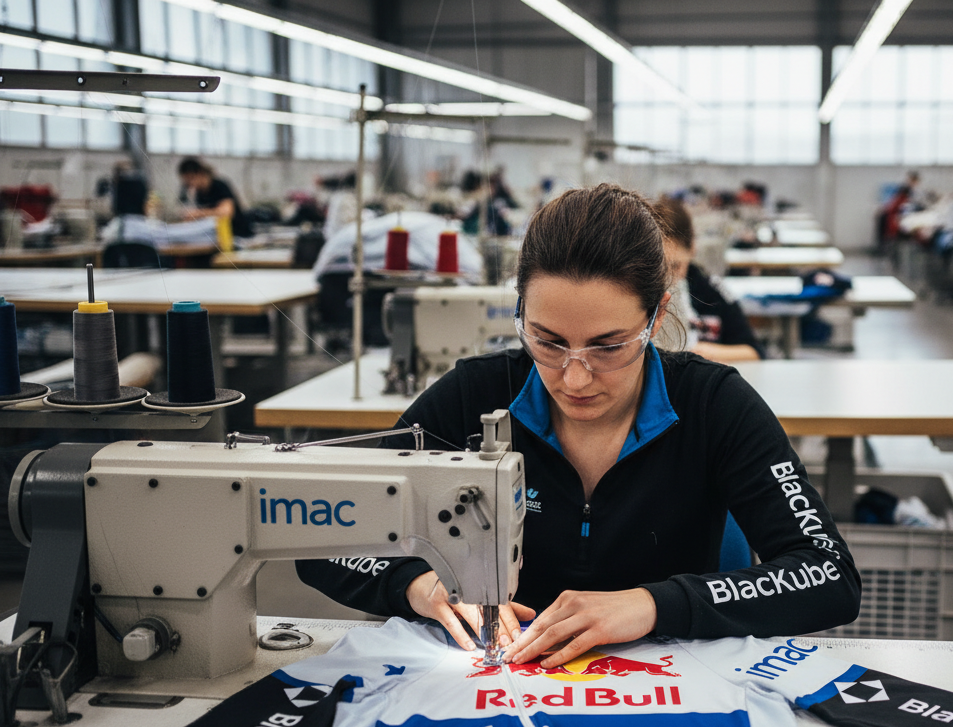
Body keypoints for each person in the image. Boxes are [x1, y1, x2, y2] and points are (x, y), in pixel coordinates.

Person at [296, 184, 860, 670]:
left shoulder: (714, 405)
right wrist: (417, 585)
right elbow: (320, 537)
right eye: (548, 341)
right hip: (498, 683)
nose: (574, 377)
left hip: (671, 695)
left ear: (656, 318)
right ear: (519, 314)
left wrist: (652, 605)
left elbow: (828, 575)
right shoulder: (475, 394)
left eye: (608, 346)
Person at [651, 196, 765, 363]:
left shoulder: (712, 291)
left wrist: (709, 353)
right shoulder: (639, 295)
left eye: (676, 266)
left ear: (692, 249)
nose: (668, 278)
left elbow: (754, 352)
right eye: (660, 268)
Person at [176, 157, 252, 239]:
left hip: (237, 235)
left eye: (191, 179)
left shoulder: (219, 185)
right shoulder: (199, 193)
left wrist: (198, 213)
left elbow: (226, 212)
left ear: (200, 173)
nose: (189, 184)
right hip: (218, 237)